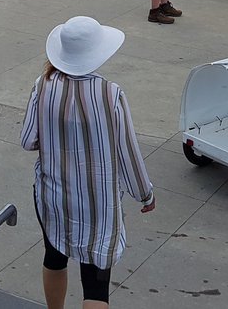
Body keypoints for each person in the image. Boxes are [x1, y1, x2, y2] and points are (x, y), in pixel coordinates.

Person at [21, 17, 154, 309]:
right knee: (95, 285)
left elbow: (28, 140)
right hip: (99, 204)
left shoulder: (42, 85)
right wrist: (145, 194)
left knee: (54, 256)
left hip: (52, 195)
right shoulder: (111, 94)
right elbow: (128, 153)